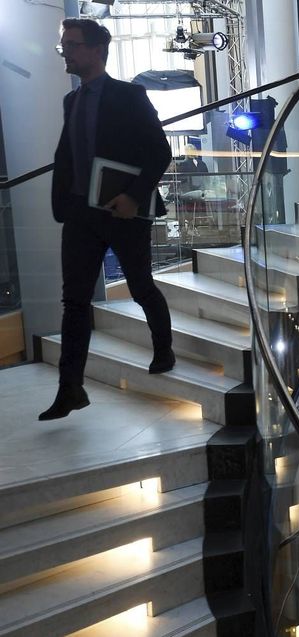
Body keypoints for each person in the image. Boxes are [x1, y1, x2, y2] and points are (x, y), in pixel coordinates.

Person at [40, 18, 175, 420]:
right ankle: (70, 387)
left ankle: (163, 348)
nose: (66, 51)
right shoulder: (72, 101)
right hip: (81, 213)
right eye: (63, 44)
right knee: (74, 302)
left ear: (97, 50)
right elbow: (68, 157)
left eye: (73, 44)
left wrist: (134, 197)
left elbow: (159, 152)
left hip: (123, 212)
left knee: (140, 287)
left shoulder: (129, 96)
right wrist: (65, 203)